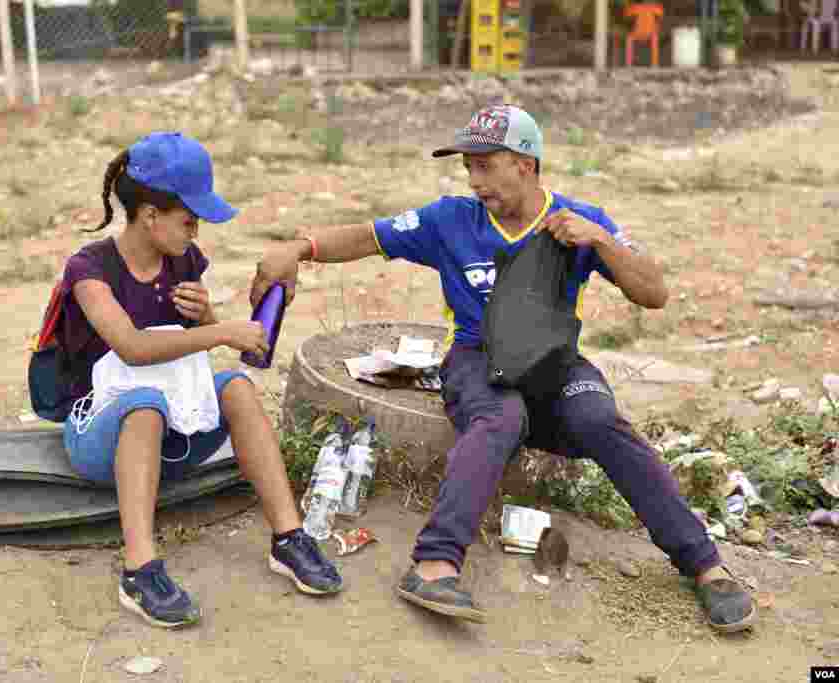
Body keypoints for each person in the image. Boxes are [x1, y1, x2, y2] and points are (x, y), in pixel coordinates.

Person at [249, 105, 755, 632]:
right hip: (476, 360)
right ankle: (434, 565)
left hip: (554, 363)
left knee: (600, 420)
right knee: (501, 418)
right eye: (469, 167)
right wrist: (299, 249)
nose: (474, 180)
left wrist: (601, 241)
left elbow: (654, 293)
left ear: (525, 165)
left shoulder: (578, 221)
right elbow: (367, 237)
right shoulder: (451, 220)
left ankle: (706, 567)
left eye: (486, 166)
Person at [60, 132, 343, 629]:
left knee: (236, 387)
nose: (196, 233)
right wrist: (221, 331)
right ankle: (139, 570)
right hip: (102, 437)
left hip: (175, 434)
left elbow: (190, 345)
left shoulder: (183, 261)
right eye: (189, 221)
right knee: (144, 404)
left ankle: (289, 537)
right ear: (150, 215)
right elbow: (132, 348)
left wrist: (206, 315)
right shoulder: (90, 269)